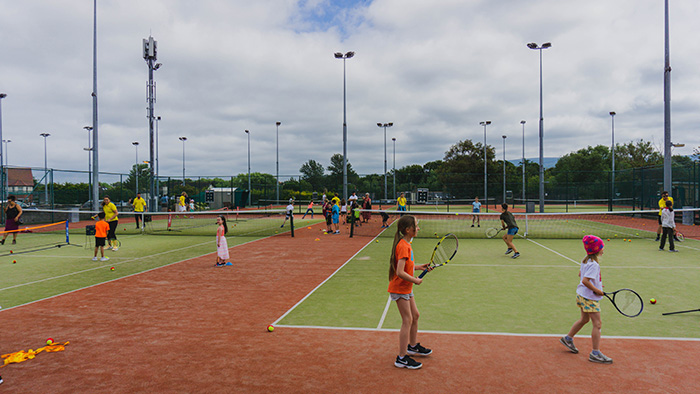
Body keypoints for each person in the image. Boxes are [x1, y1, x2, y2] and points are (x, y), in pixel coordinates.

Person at [559, 235, 613, 364]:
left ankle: (568, 339)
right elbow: (585, 280)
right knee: (597, 324)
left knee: (584, 319)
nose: (603, 248)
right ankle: (595, 353)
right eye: (602, 246)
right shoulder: (594, 265)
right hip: (589, 298)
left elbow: (581, 274)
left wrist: (596, 284)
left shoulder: (585, 261)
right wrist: (597, 290)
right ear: (597, 249)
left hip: (582, 295)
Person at [388, 215, 432, 369]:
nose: (418, 228)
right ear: (408, 230)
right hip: (400, 288)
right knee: (407, 320)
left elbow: (407, 267)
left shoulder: (407, 244)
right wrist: (416, 280)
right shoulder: (403, 246)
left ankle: (412, 346)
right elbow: (400, 272)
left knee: (415, 316)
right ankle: (401, 357)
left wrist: (420, 267)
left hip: (406, 287)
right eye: (416, 226)